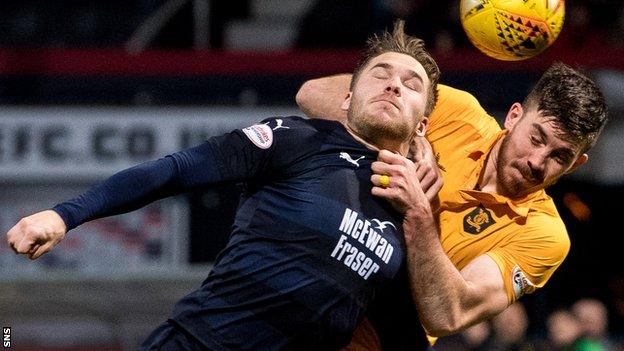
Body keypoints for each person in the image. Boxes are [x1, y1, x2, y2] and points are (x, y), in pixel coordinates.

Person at [6, 22, 441, 350]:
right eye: (380, 73)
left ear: (422, 123)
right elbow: (176, 169)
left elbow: (402, 331)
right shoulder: (295, 139)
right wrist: (65, 215)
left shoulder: (410, 214)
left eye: (411, 83)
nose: (393, 85)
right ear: (346, 98)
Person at [297, 61, 608, 348]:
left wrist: (419, 211)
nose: (538, 162)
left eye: (560, 156)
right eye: (537, 138)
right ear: (514, 117)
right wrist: (408, 141)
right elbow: (311, 95)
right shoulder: (455, 111)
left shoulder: (544, 235)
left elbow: (448, 314)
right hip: (300, 296)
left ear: (576, 164)